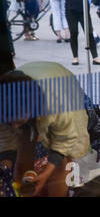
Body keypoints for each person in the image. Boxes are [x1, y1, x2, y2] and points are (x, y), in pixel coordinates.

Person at [0, 61, 90, 197]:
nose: (15, 126)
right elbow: (7, 145)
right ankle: (26, 190)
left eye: (19, 121)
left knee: (62, 160)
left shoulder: (56, 104)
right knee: (23, 149)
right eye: (10, 121)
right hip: (30, 82)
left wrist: (46, 175)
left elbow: (63, 143)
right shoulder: (4, 102)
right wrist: (4, 170)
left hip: (61, 85)